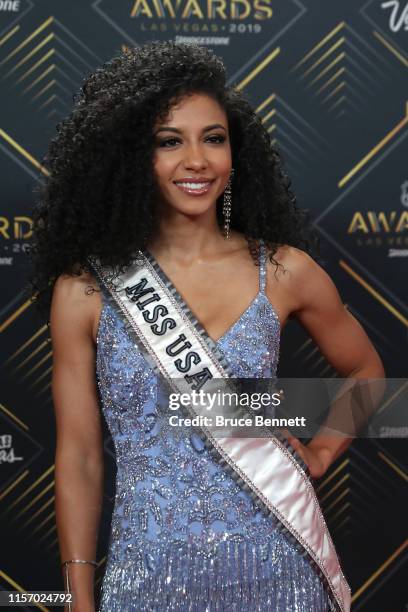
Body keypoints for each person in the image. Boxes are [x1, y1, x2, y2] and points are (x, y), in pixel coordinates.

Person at [29, 41, 384, 612]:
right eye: (170, 141)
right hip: (145, 580)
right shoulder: (85, 291)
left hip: (280, 568)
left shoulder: (286, 270)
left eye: (213, 138)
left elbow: (369, 373)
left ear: (234, 153)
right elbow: (79, 455)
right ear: (129, 158)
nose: (197, 160)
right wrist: (78, 593)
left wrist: (317, 454)